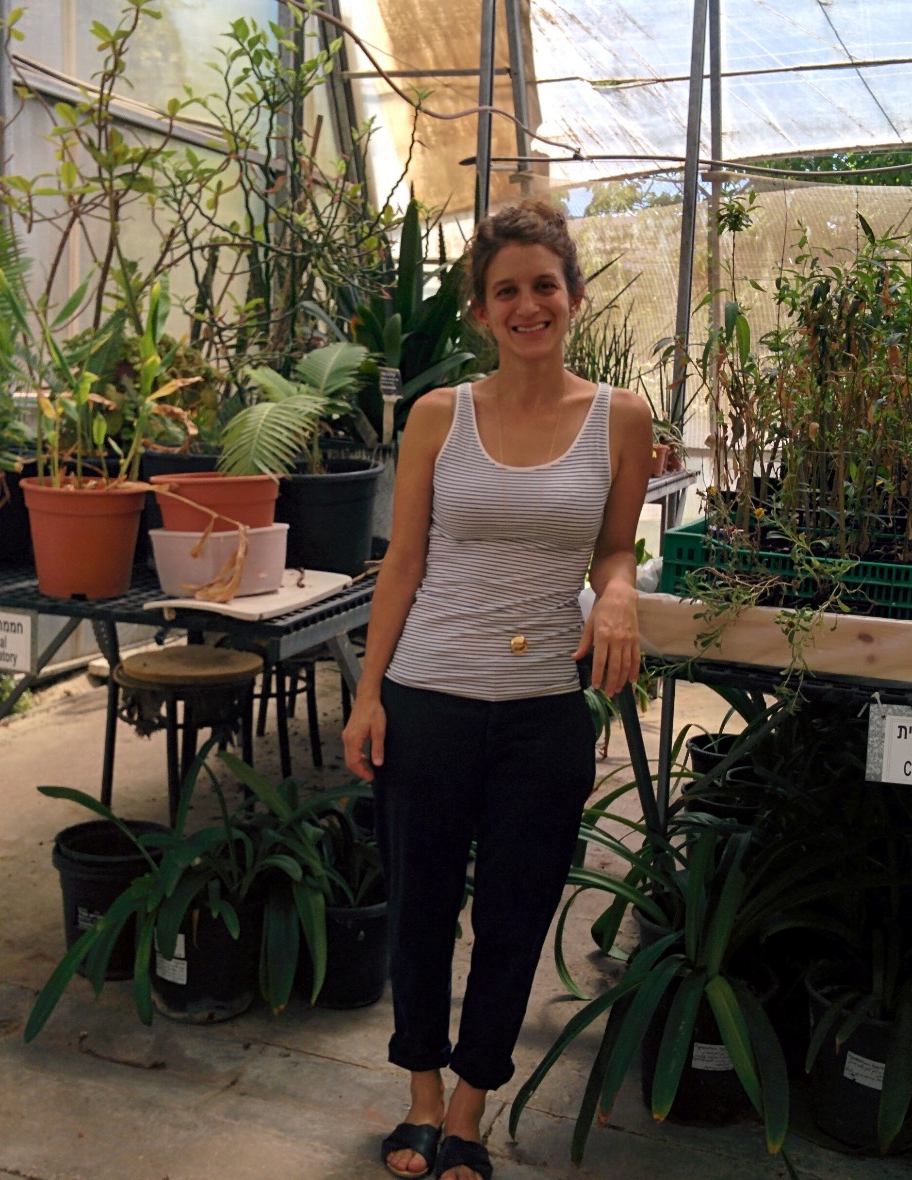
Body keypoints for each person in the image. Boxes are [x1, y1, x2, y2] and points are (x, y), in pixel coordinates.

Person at [342, 199, 652, 1180]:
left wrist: (618, 594)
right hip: (428, 695)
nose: (528, 305)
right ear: (481, 310)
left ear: (574, 297)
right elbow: (399, 564)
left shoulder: (621, 418)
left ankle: (473, 1107)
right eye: (506, 290)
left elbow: (612, 546)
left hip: (540, 714)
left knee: (516, 915)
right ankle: (421, 1095)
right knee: (422, 907)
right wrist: (367, 693)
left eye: (544, 286)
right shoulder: (439, 417)